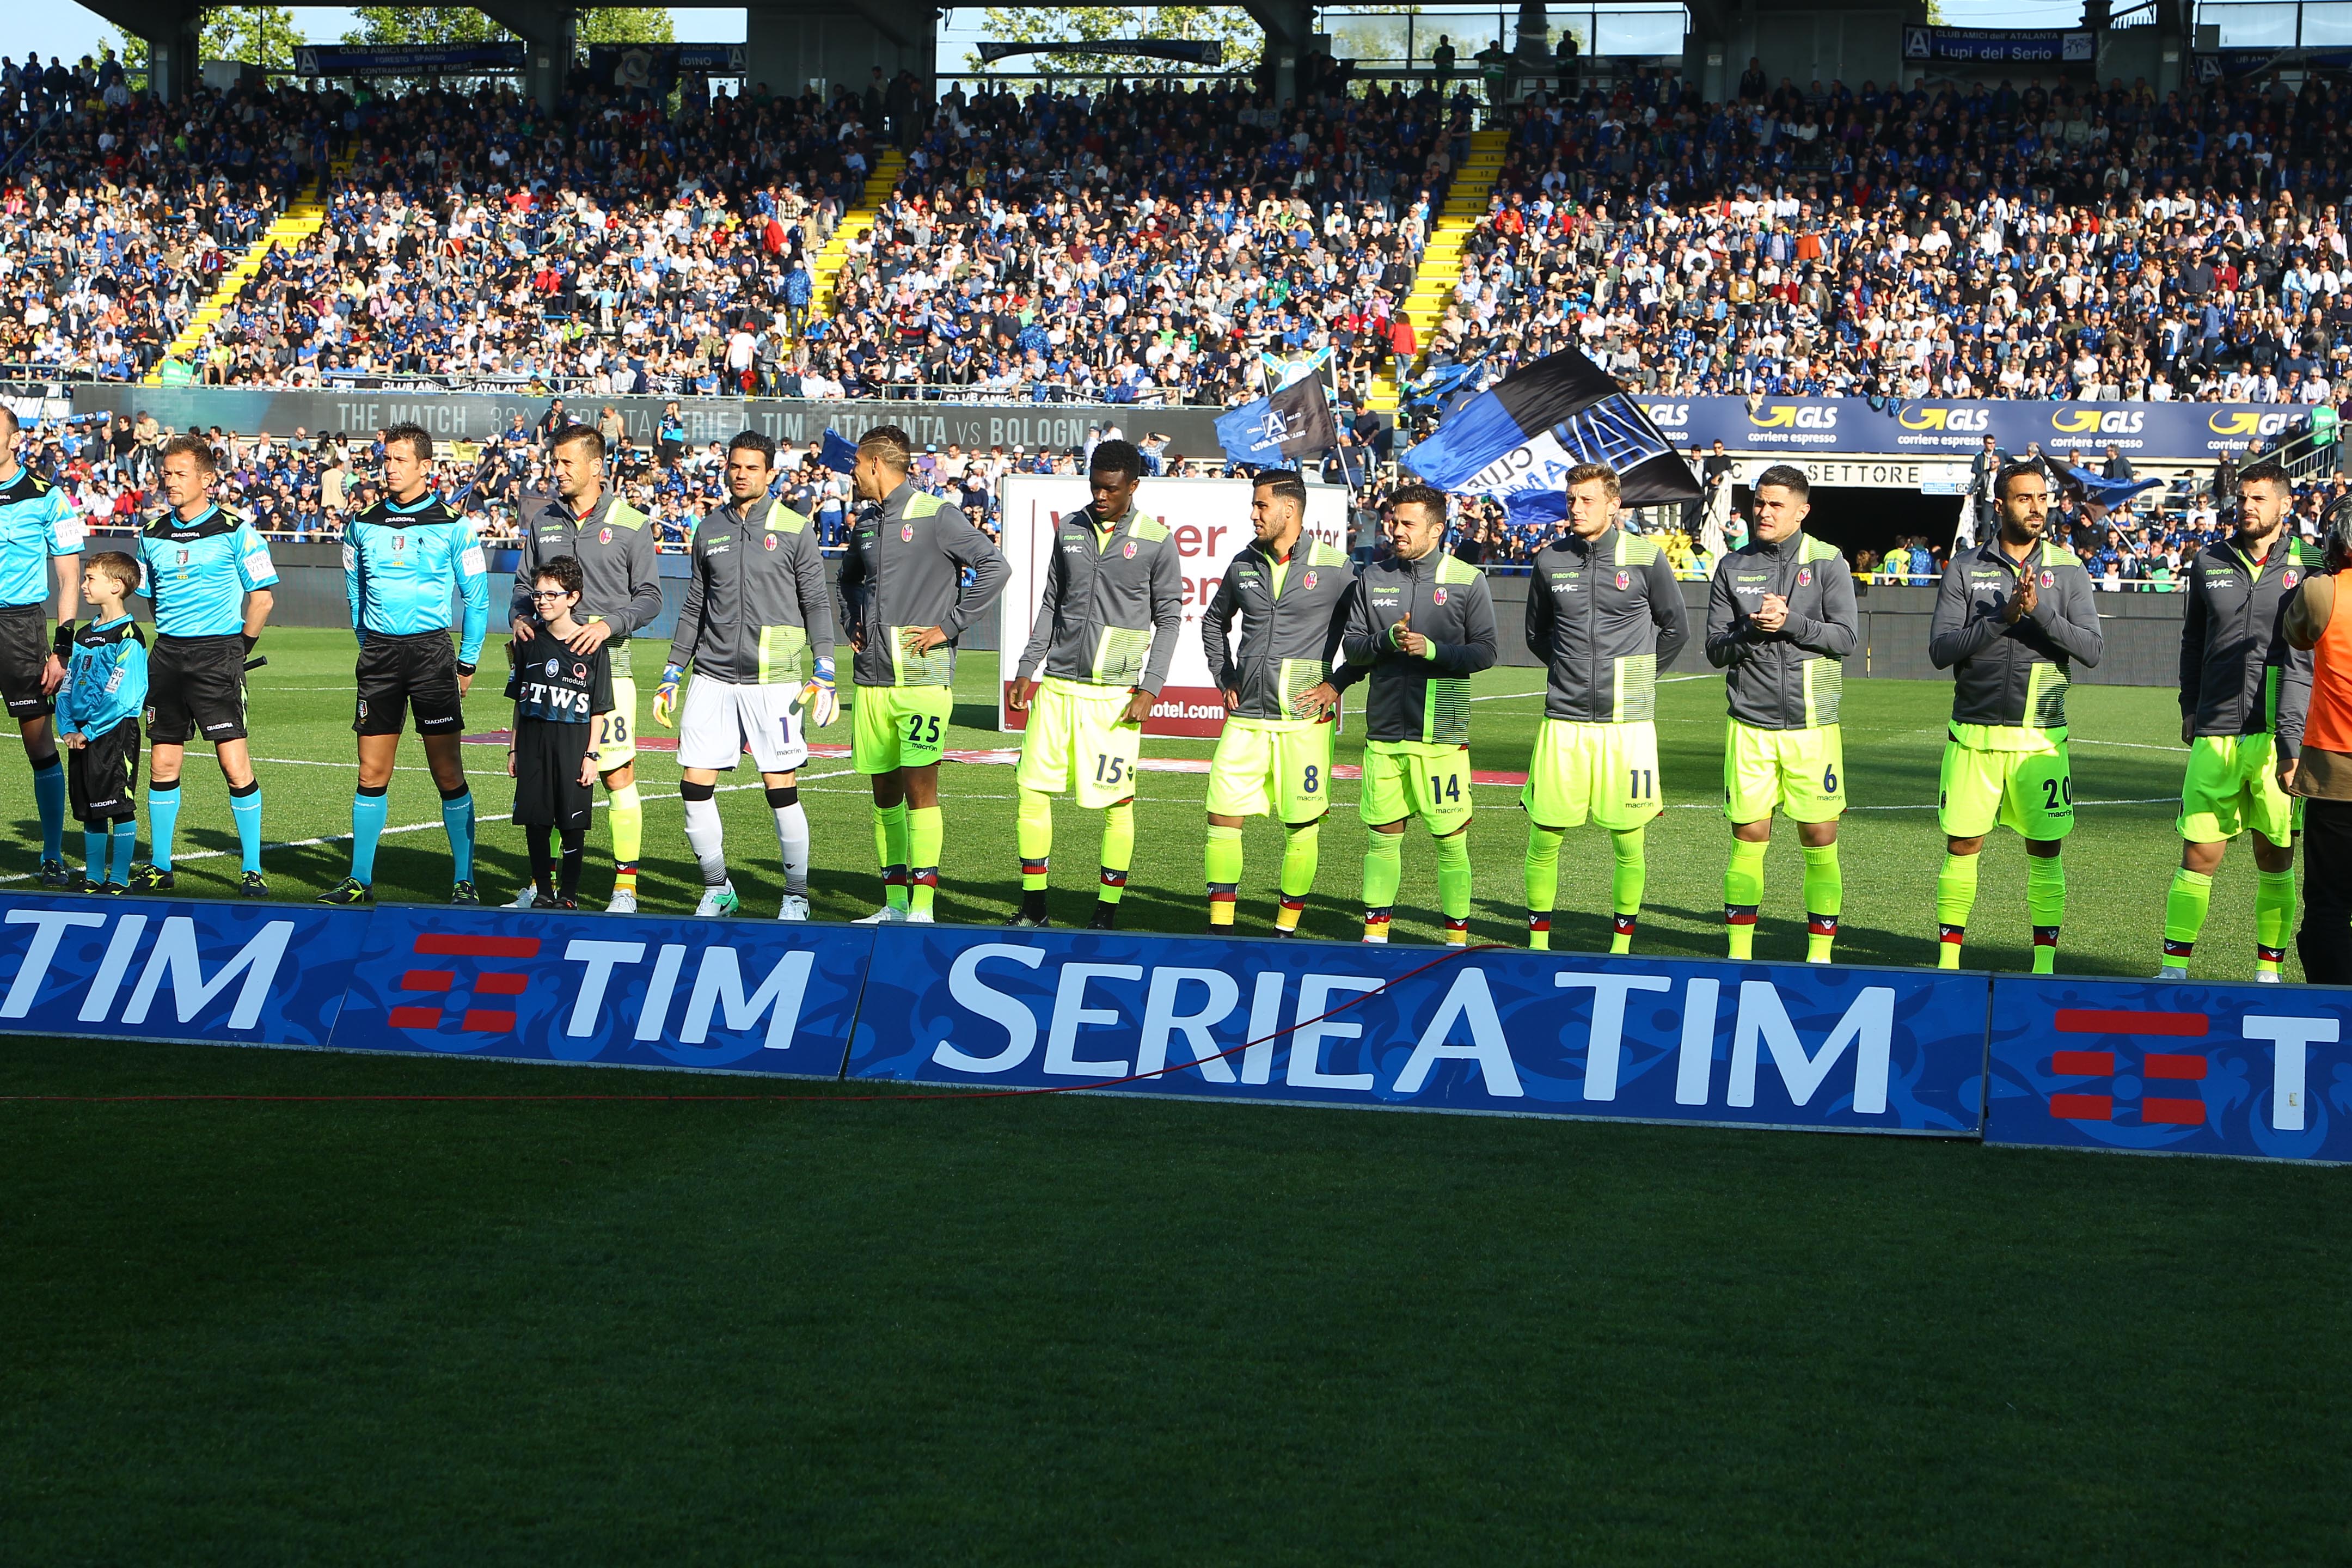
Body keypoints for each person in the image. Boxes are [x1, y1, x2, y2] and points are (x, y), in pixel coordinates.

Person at [1927, 462, 2105, 972]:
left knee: (2046, 849)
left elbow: (2091, 649)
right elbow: (1941, 651)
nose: (2037, 508)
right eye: (2025, 499)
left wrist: (2040, 613)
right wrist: (2002, 619)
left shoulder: (2068, 570)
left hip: (2041, 740)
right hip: (1973, 737)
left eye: (2042, 498)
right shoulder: (1964, 568)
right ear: (2000, 506)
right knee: (1962, 845)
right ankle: (1948, 963)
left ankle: (2044, 966)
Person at [1302, 485, 1497, 945]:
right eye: (1394, 521)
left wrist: (1433, 650)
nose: (1397, 531)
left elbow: (1486, 652)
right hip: (1385, 734)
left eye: (1408, 524)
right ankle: (1375, 940)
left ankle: (1456, 942)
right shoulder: (1373, 577)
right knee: (1382, 839)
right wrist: (1384, 642)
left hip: (1442, 735)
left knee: (1450, 841)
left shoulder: (1469, 579)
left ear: (1437, 528)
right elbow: (1353, 646)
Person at [656, 431, 837, 920]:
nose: (741, 474)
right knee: (694, 785)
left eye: (752, 467)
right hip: (711, 677)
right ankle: (718, 887)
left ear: (770, 473)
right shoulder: (708, 528)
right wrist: (674, 669)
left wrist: (825, 668)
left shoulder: (796, 528)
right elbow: (695, 603)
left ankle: (796, 895)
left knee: (780, 789)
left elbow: (816, 603)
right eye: (735, 466)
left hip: (775, 681)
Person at [1006, 439, 1184, 930]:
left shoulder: (1156, 539)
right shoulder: (1070, 529)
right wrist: (1027, 666)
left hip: (1115, 697)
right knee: (1032, 793)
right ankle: (1035, 906)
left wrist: (1151, 686)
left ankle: (1106, 912)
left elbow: (1170, 619)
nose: (1100, 496)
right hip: (1058, 686)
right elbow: (1050, 604)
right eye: (1095, 486)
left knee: (1117, 804)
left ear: (1133, 487)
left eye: (1110, 489)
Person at [836, 424, 1008, 922]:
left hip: (923, 680)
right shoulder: (865, 523)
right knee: (883, 793)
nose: (853, 474)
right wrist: (853, 620)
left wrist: (949, 626)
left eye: (856, 465)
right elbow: (847, 580)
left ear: (874, 464)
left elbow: (995, 567)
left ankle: (923, 908)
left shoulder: (938, 516)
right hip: (871, 681)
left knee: (920, 791)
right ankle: (892, 905)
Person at [1519, 463, 1690, 952]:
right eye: (1572, 499)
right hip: (1564, 721)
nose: (1576, 508)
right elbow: (1537, 634)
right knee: (1546, 834)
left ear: (1615, 504)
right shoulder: (1550, 560)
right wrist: (1571, 672)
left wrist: (1635, 682)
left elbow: (1675, 628)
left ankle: (1622, 947)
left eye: (1587, 500)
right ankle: (1538, 944)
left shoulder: (1646, 557)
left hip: (1628, 726)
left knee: (1627, 839)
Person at [320, 422, 491, 906]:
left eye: (399, 460)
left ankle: (463, 879)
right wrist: (368, 643)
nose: (389, 468)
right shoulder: (361, 524)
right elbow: (355, 592)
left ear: (425, 466)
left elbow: (477, 600)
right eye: (386, 459)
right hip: (379, 657)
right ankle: (359, 879)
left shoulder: (455, 525)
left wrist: (467, 663)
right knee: (371, 773)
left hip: (433, 656)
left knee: (447, 772)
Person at [2160, 458, 2310, 982]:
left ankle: (2268, 972)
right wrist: (2189, 705)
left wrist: (2297, 735)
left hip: (2277, 736)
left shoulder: (2309, 564)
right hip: (2217, 730)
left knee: (2276, 854)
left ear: (2285, 504)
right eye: (2243, 498)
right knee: (2200, 852)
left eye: (2259, 498)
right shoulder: (2209, 561)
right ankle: (2173, 970)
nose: (2247, 507)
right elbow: (2193, 642)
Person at [1704, 466, 1858, 963]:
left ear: (1802, 511)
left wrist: (1790, 622)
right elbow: (1714, 649)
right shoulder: (1732, 565)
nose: (1764, 512)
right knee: (1749, 836)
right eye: (1760, 503)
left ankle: (1820, 956)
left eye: (1775, 505)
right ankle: (1740, 955)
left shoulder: (1829, 562)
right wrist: (1751, 630)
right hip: (1749, 725)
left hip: (1813, 727)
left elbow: (1846, 639)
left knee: (1819, 835)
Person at [510, 424, 663, 912]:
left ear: (596, 466)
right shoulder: (543, 521)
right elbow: (520, 588)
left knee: (615, 774)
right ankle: (544, 887)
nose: (557, 472)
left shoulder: (632, 523)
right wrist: (519, 619)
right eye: (554, 463)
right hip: (544, 675)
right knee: (548, 780)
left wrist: (609, 625)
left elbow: (652, 598)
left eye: (566, 464)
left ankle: (625, 887)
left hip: (609, 669)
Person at [1199, 469, 1353, 935]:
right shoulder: (1243, 563)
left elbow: (1364, 640)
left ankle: (1284, 931)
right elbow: (1213, 623)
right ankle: (1221, 928)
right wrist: (1223, 674)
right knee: (1222, 815)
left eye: (1261, 505)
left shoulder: (1337, 568)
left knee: (1301, 826)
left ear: (1290, 509)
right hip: (1246, 720)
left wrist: (1338, 684)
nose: (1254, 514)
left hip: (1304, 723)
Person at [130, 433, 277, 896]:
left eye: (179, 473)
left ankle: (251, 867)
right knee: (162, 764)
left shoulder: (237, 530)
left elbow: (262, 599)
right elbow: (152, 601)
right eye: (165, 473)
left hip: (219, 657)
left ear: (207, 479)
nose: (168, 481)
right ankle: (160, 865)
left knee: (235, 766)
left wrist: (240, 648)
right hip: (169, 657)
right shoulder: (151, 534)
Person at [0, 402, 83, 886]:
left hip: (19, 628)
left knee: (38, 744)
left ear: (16, 440)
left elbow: (69, 574)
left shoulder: (49, 497)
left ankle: (51, 853)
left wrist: (62, 647)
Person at [505, 557, 615, 912]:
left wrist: (592, 755)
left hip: (573, 743)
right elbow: (520, 701)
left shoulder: (591, 644)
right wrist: (513, 749)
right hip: (534, 742)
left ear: (573, 598)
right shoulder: (526, 640)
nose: (543, 601)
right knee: (536, 820)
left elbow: (599, 706)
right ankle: (543, 891)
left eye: (552, 594)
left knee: (572, 822)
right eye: (538, 594)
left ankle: (568, 893)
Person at [2282, 495, 2352, 983]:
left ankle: (2333, 1007)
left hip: (2335, 773)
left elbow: (2297, 636)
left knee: (2328, 903)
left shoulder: (2322, 591)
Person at [53, 550, 145, 895]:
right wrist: (67, 728)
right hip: (79, 734)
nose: (83, 585)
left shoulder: (129, 637)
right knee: (90, 806)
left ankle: (119, 878)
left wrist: (89, 731)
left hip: (112, 734)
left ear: (117, 586)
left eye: (91, 579)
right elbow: (68, 685)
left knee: (117, 805)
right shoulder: (82, 636)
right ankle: (93, 876)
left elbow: (120, 695)